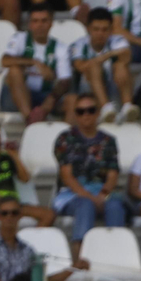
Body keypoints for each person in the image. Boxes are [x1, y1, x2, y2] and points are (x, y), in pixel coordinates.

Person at [52, 95, 126, 259]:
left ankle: (116, 253)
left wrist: (103, 195)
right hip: (72, 194)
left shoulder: (109, 141)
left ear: (98, 112)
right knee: (85, 205)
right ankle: (79, 255)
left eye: (91, 110)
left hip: (101, 191)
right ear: (76, 114)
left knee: (115, 206)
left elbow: (113, 173)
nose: (86, 114)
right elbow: (67, 176)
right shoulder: (65, 139)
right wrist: (92, 198)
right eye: (81, 111)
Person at [1, 4, 73, 123]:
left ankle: (69, 138)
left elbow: (65, 81)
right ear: (30, 24)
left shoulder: (60, 47)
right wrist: (35, 62)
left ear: (51, 23)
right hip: (14, 97)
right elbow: (5, 61)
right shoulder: (19, 38)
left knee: (72, 101)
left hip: (44, 96)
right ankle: (30, 120)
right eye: (35, 21)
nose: (40, 25)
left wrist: (48, 103)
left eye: (44, 21)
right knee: (14, 70)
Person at [69, 7, 135, 122]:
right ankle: (106, 108)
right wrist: (107, 56)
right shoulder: (79, 44)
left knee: (121, 66)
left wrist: (118, 61)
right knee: (93, 67)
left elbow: (127, 56)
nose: (100, 34)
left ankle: (127, 107)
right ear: (88, 29)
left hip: (113, 89)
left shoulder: (117, 40)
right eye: (96, 29)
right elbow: (80, 66)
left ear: (111, 30)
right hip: (88, 92)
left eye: (105, 30)